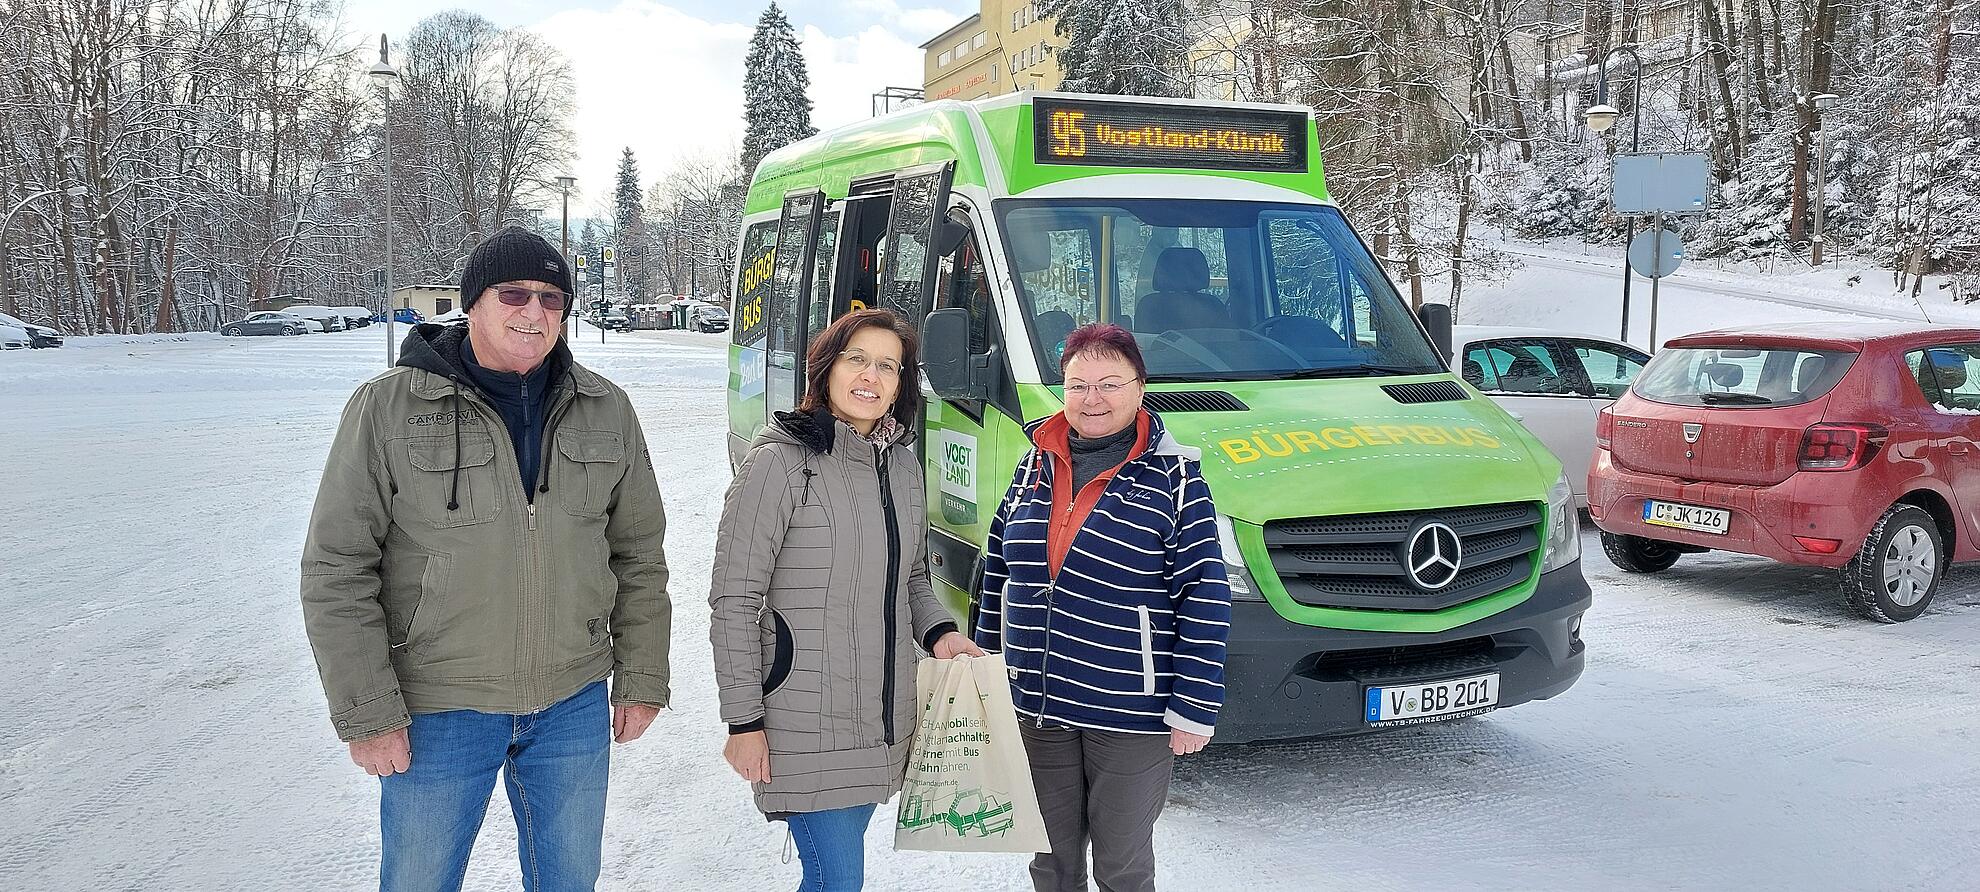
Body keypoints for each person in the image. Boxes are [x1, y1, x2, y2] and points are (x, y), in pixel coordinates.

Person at [300, 226, 673, 892]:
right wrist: (367, 711)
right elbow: (337, 567)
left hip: (570, 703)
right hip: (439, 706)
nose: (535, 312)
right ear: (473, 301)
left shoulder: (606, 410)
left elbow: (639, 554)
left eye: (553, 298)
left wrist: (642, 675)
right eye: (515, 294)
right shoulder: (387, 408)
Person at [710, 308, 982, 891]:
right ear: (826, 368)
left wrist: (940, 632)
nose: (871, 376)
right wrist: (744, 722)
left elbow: (911, 579)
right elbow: (734, 601)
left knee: (832, 877)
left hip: (881, 716)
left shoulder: (902, 467)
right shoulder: (779, 464)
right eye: (857, 358)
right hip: (803, 721)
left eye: (888, 365)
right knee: (838, 878)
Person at [973, 323, 1232, 892]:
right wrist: (985, 671)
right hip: (1038, 708)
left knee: (1121, 865)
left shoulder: (1176, 475)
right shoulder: (1034, 461)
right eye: (1079, 384)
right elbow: (996, 569)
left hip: (1131, 712)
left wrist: (1194, 705)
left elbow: (1204, 592)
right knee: (1051, 861)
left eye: (1110, 383)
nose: (1093, 398)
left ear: (1140, 388)